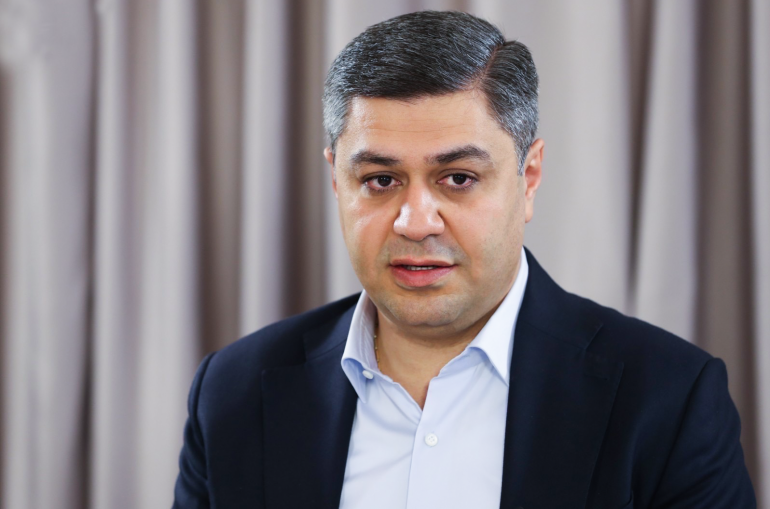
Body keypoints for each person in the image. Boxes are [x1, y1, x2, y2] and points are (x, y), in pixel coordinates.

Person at [172, 10, 755, 509]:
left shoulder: (669, 400)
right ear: (336, 181)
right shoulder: (232, 394)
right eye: (380, 180)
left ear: (528, 178)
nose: (415, 221)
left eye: (457, 178)